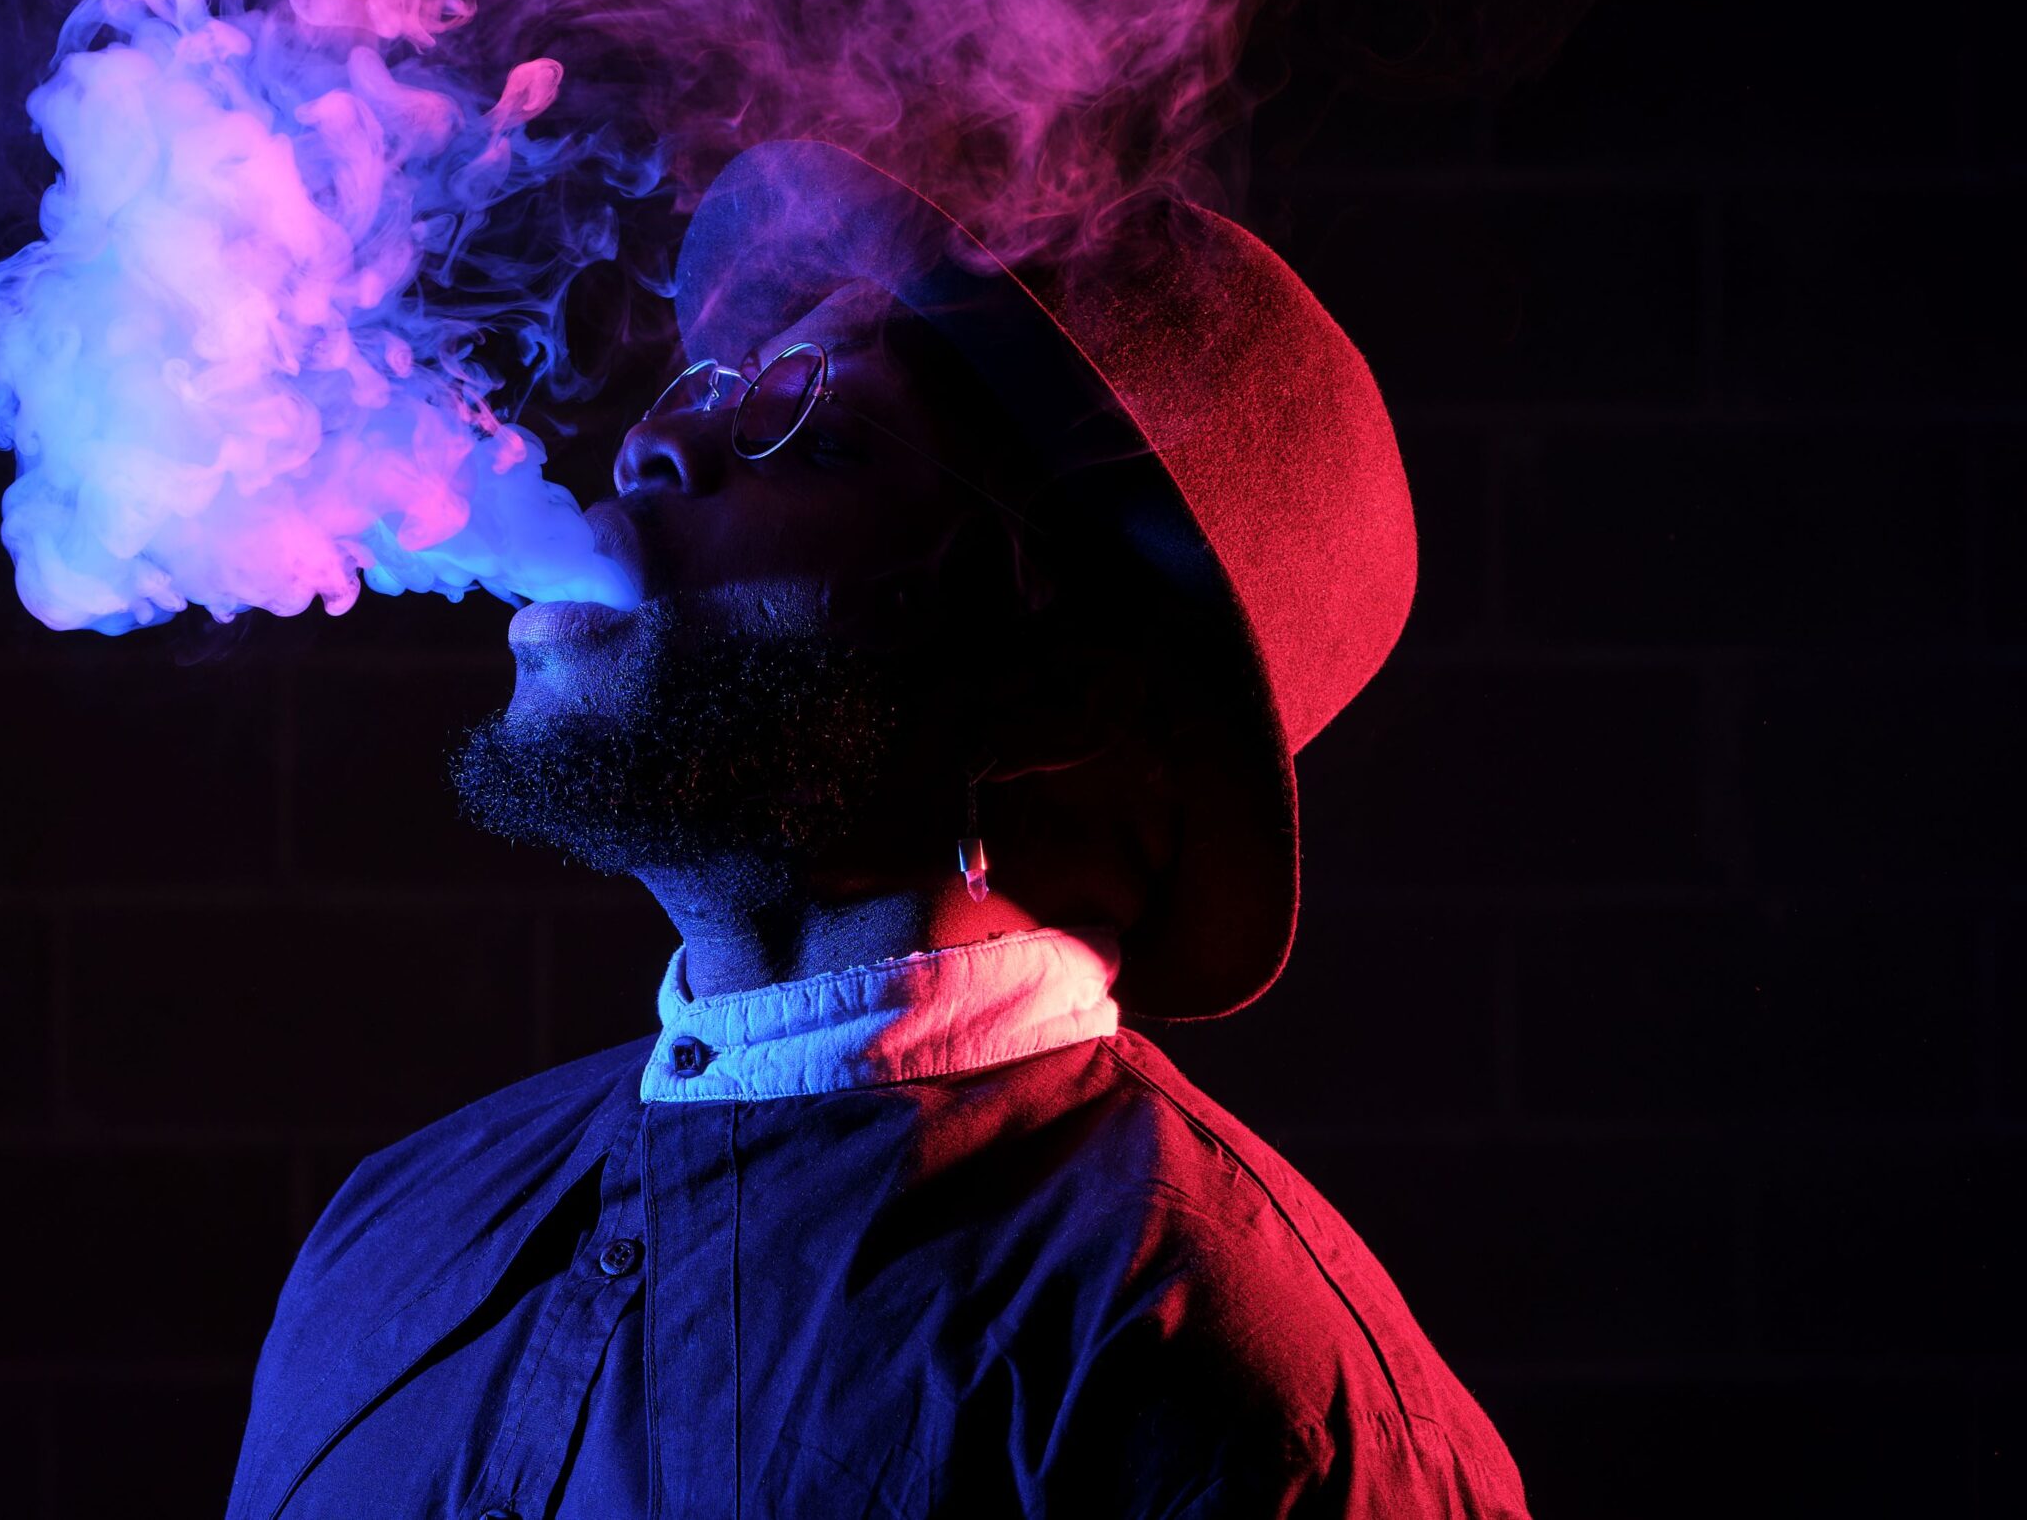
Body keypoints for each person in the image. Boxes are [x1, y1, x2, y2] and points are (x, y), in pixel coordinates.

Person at [224, 140, 1530, 1518]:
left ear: (1057, 692)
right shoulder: (392, 1232)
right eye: (708, 391)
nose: (654, 443)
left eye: (819, 434)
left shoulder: (1218, 1379)